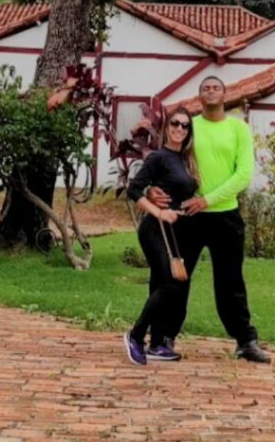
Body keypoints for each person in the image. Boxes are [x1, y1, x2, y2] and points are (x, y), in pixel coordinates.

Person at [148, 75, 271, 364]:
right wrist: (154, 189)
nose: (211, 91)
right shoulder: (189, 127)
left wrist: (208, 199)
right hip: (187, 217)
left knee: (230, 282)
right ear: (200, 96)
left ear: (224, 94)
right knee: (176, 278)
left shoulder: (238, 128)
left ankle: (245, 340)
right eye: (205, 88)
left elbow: (243, 175)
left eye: (216, 87)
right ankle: (164, 337)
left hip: (225, 217)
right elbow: (168, 161)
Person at [123, 107, 197, 366]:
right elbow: (133, 189)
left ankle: (155, 344)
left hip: (175, 232)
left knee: (160, 284)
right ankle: (136, 335)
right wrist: (159, 212)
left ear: (189, 132)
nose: (179, 129)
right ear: (166, 127)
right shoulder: (158, 157)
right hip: (155, 229)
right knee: (171, 283)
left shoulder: (185, 160)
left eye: (185, 126)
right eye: (175, 124)